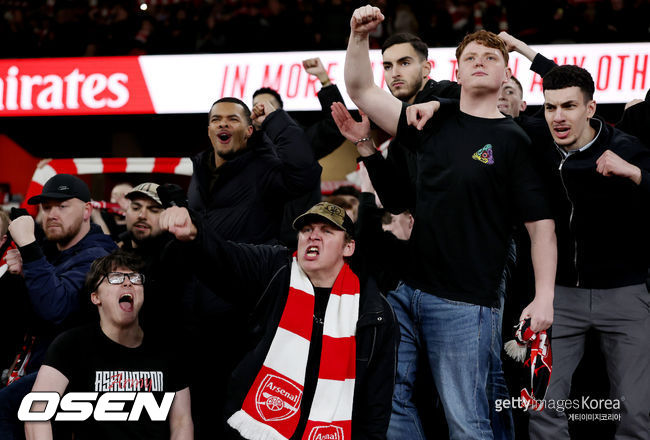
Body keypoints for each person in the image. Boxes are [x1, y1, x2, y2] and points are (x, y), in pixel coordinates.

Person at [344, 6, 557, 439]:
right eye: (470, 57)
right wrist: (358, 36)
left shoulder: (514, 141)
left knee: (467, 421)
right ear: (456, 72)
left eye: (490, 57)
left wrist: (544, 297)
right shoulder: (428, 121)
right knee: (388, 402)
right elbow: (362, 89)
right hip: (406, 290)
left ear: (506, 73)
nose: (479, 61)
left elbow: (542, 228)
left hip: (466, 301)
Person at [159, 202, 398, 440]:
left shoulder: (373, 310)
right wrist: (195, 231)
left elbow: (376, 402)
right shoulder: (275, 268)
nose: (313, 235)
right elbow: (226, 258)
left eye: (327, 231)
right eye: (306, 230)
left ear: (348, 247)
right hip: (255, 431)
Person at [516, 65, 650, 440]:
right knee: (542, 406)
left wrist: (635, 173)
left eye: (569, 106)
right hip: (558, 295)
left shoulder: (626, 147)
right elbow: (481, 116)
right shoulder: (534, 139)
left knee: (637, 412)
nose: (558, 116)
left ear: (590, 108)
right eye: (550, 107)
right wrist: (437, 105)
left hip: (625, 293)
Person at [25, 249, 193, 440]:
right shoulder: (71, 345)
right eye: (115, 278)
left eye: (134, 278)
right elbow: (35, 414)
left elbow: (182, 422)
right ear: (95, 297)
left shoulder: (167, 348)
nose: (128, 282)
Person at [0, 174, 116, 440]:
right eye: (47, 207)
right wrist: (24, 271)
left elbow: (55, 308)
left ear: (87, 210)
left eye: (62, 206)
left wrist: (30, 251)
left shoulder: (100, 257)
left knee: (4, 407)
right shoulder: (52, 252)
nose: (52, 214)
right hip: (37, 363)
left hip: (77, 372)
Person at [187, 97, 321, 244]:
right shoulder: (200, 168)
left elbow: (304, 174)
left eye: (233, 119)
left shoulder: (264, 169)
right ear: (209, 131)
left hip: (253, 258)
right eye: (216, 119)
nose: (223, 123)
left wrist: (274, 119)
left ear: (249, 131)